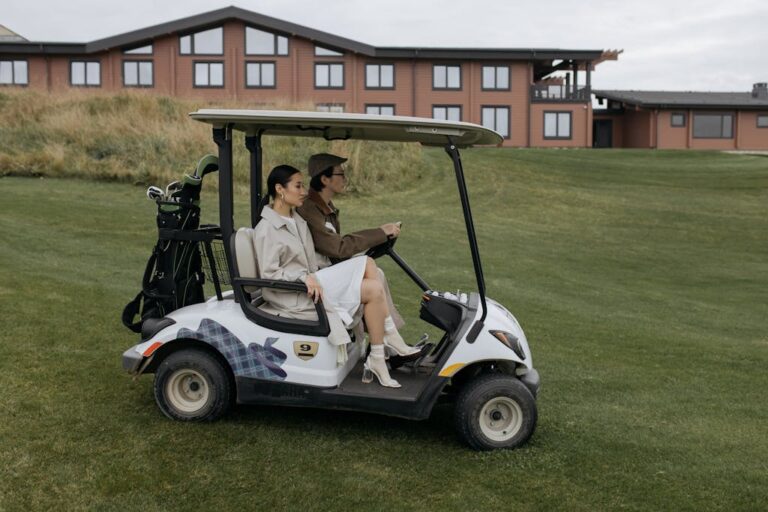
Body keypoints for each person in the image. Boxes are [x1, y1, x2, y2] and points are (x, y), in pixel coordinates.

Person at [252, 164, 407, 388]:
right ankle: (386, 342)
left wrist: (336, 269)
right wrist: (303, 277)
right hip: (294, 294)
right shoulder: (267, 229)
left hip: (312, 282)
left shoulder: (297, 221)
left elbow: (311, 260)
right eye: (298, 186)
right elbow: (269, 273)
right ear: (279, 189)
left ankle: (380, 352)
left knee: (371, 278)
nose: (304, 191)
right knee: (369, 272)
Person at [296, 153, 418, 358]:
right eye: (340, 174)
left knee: (376, 273)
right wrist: (379, 233)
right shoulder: (310, 209)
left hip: (329, 270)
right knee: (370, 268)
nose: (345, 179)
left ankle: (389, 338)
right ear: (325, 179)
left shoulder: (326, 208)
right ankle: (388, 338)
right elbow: (338, 248)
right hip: (318, 277)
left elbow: (338, 250)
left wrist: (377, 236)